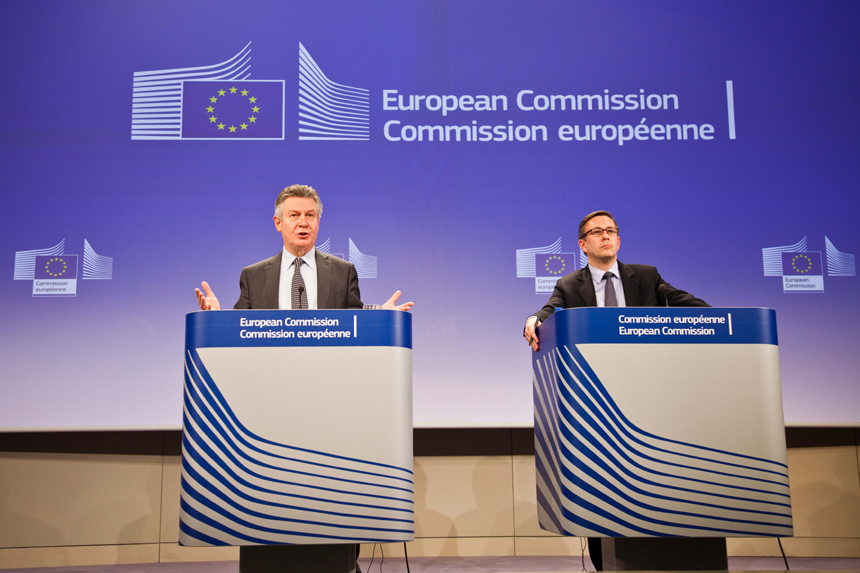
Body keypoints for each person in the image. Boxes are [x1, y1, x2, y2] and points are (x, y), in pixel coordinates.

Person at [523, 210, 708, 570]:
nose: (605, 236)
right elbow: (549, 311)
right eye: (596, 232)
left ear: (619, 240)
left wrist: (716, 320)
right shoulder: (569, 284)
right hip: (599, 403)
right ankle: (604, 560)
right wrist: (534, 320)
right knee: (604, 488)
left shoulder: (648, 276)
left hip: (651, 395)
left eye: (611, 231)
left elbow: (680, 300)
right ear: (583, 244)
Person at [196, 184, 413, 312]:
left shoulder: (343, 271)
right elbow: (240, 327)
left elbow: (352, 320)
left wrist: (382, 316)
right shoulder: (253, 276)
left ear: (318, 222)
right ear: (278, 222)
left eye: (310, 215)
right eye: (294, 215)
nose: (303, 222)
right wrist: (215, 318)